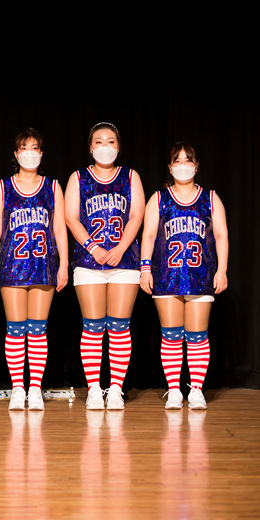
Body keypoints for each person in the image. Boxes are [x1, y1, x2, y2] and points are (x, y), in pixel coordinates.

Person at [140, 143, 228, 410]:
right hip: (166, 275)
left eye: (188, 160)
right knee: (171, 335)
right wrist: (145, 268)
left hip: (201, 275)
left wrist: (222, 269)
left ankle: (197, 389)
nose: (183, 165)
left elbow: (221, 235)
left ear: (196, 166)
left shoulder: (210, 198)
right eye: (177, 161)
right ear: (170, 167)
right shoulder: (159, 198)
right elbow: (148, 235)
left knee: (198, 335)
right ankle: (175, 390)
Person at [64, 122, 145, 410]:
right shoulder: (78, 177)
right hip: (88, 261)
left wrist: (120, 248)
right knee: (93, 326)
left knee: (120, 327)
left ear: (118, 147)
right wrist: (93, 248)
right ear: (90, 147)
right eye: (98, 141)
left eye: (111, 141)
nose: (105, 146)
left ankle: (116, 389)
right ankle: (95, 389)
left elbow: (136, 215)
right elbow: (71, 217)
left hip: (125, 261)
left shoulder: (130, 176)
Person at [0, 129, 68, 411]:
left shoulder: (52, 186)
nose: (29, 152)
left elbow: (59, 229)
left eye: (35, 147)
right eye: (24, 148)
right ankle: (17, 388)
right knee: (15, 329)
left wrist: (64, 264)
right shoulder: (2, 187)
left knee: (37, 329)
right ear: (15, 153)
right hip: (12, 265)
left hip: (44, 265)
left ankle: (34, 389)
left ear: (42, 153)